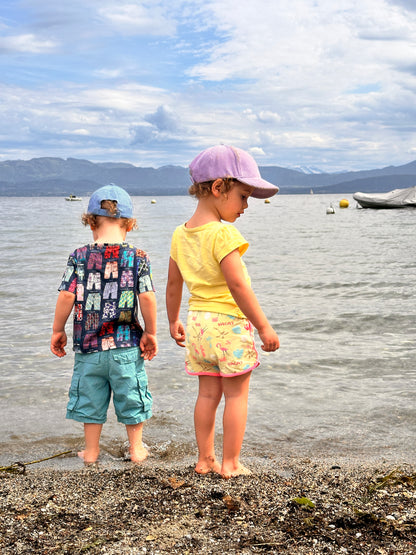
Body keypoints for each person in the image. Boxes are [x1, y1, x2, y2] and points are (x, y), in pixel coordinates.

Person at [166, 145, 280, 479]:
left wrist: (172, 320)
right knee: (237, 395)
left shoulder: (179, 233)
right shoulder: (223, 233)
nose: (246, 206)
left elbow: (173, 285)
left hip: (197, 324)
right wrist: (263, 327)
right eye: (244, 196)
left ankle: (204, 460)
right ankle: (230, 463)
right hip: (228, 324)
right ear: (219, 188)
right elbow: (238, 286)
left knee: (207, 394)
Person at [51, 184, 157, 464]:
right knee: (132, 396)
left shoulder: (79, 255)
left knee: (90, 399)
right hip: (125, 345)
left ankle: (92, 452)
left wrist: (57, 329)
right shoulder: (138, 256)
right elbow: (146, 296)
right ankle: (136, 449)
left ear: (91, 223)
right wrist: (151, 332)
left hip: (89, 348)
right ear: (130, 224)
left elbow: (66, 295)